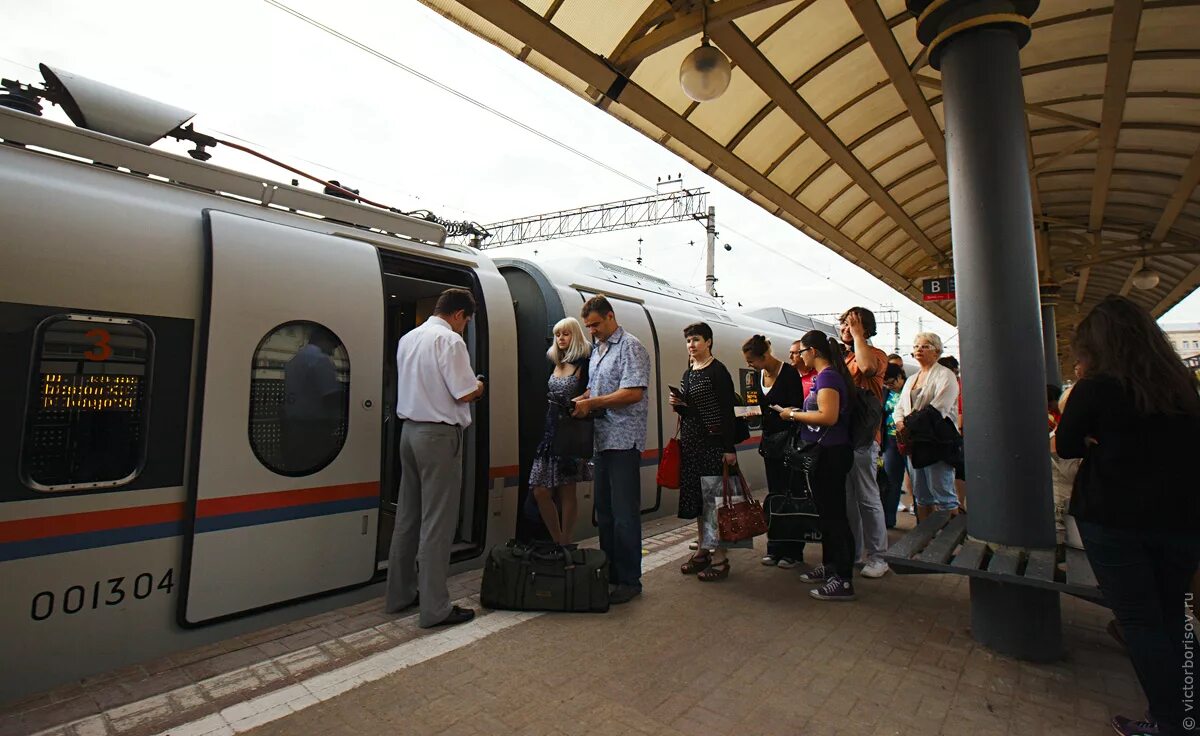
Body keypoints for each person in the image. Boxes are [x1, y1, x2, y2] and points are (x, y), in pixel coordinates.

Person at [1055, 296, 1200, 736]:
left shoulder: (1096, 388)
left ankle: (1170, 721)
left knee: (1139, 619)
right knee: (1174, 612)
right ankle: (1190, 708)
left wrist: (1098, 439)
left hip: (1115, 516)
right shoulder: (1181, 384)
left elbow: (1066, 445)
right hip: (1181, 518)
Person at [385, 288, 485, 627]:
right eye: (465, 321)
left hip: (409, 433)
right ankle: (435, 608)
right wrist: (480, 385)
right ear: (458, 315)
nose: (464, 327)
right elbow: (465, 391)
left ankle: (399, 595)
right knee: (438, 523)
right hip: (439, 437)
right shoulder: (450, 341)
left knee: (408, 518)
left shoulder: (409, 339)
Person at [572, 295, 652, 604]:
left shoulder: (631, 347)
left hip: (623, 440)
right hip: (601, 439)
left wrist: (593, 402)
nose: (591, 331)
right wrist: (583, 399)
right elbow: (598, 388)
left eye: (595, 324)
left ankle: (630, 579)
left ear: (610, 316)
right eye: (588, 326)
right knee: (604, 512)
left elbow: (632, 392)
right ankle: (610, 572)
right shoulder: (597, 352)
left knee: (624, 514)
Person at [773, 331, 857, 601]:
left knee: (834, 517)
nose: (799, 356)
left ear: (814, 351)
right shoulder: (827, 376)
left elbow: (828, 416)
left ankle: (843, 580)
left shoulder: (828, 376)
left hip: (830, 455)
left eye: (802, 351)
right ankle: (831, 567)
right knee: (827, 515)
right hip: (826, 454)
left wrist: (792, 414)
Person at [672, 323, 739, 581]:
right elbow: (691, 410)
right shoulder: (689, 374)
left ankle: (721, 558)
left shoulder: (717, 371)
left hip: (712, 446)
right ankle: (703, 550)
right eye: (688, 340)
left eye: (696, 339)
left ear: (709, 342)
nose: (691, 345)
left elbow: (726, 412)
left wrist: (728, 448)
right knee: (699, 503)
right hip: (691, 446)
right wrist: (678, 406)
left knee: (716, 504)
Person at [743, 334, 806, 568]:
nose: (750, 365)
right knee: (775, 494)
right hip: (770, 443)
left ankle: (793, 551)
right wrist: (752, 412)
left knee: (791, 494)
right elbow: (759, 406)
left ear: (764, 355)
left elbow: (797, 406)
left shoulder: (788, 373)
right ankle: (775, 546)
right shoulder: (758, 376)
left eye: (752, 360)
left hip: (789, 443)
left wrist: (785, 412)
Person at [528, 317, 592, 545]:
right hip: (551, 429)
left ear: (575, 336)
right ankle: (559, 540)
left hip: (571, 430)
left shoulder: (584, 362)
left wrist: (582, 398)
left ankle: (565, 541)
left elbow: (593, 391)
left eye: (566, 334)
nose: (561, 338)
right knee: (540, 490)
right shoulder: (555, 361)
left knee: (567, 490)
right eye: (558, 335)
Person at [838, 307, 890, 578]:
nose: (845, 329)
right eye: (845, 325)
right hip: (845, 438)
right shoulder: (845, 358)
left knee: (868, 498)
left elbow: (868, 368)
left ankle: (879, 556)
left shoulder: (875, 355)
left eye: (851, 325)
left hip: (865, 439)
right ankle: (856, 552)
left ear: (864, 328)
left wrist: (859, 336)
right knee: (849, 500)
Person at [892, 332, 960, 521]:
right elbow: (900, 406)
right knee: (921, 496)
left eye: (925, 346)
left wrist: (906, 425)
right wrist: (899, 422)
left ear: (937, 351)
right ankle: (926, 538)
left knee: (944, 494)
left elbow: (938, 409)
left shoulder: (945, 376)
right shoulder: (912, 379)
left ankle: (950, 540)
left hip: (936, 442)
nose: (919, 349)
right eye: (916, 346)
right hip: (916, 443)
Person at [281, 326, 346, 471]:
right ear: (323, 340)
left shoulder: (294, 360)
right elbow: (330, 396)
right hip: (315, 428)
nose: (334, 350)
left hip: (292, 426)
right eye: (333, 345)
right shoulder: (321, 360)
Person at [938, 355, 967, 511]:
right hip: (952, 433)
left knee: (955, 470)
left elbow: (960, 412)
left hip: (953, 434)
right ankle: (958, 504)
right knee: (955, 470)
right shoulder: (958, 384)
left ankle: (957, 505)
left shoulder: (955, 385)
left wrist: (959, 432)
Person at [879, 362, 907, 529]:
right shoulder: (885, 393)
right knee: (891, 480)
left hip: (908, 439)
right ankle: (888, 519)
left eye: (891, 382)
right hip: (890, 439)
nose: (889, 386)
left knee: (916, 480)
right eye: (886, 383)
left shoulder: (911, 389)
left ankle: (923, 520)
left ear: (900, 377)